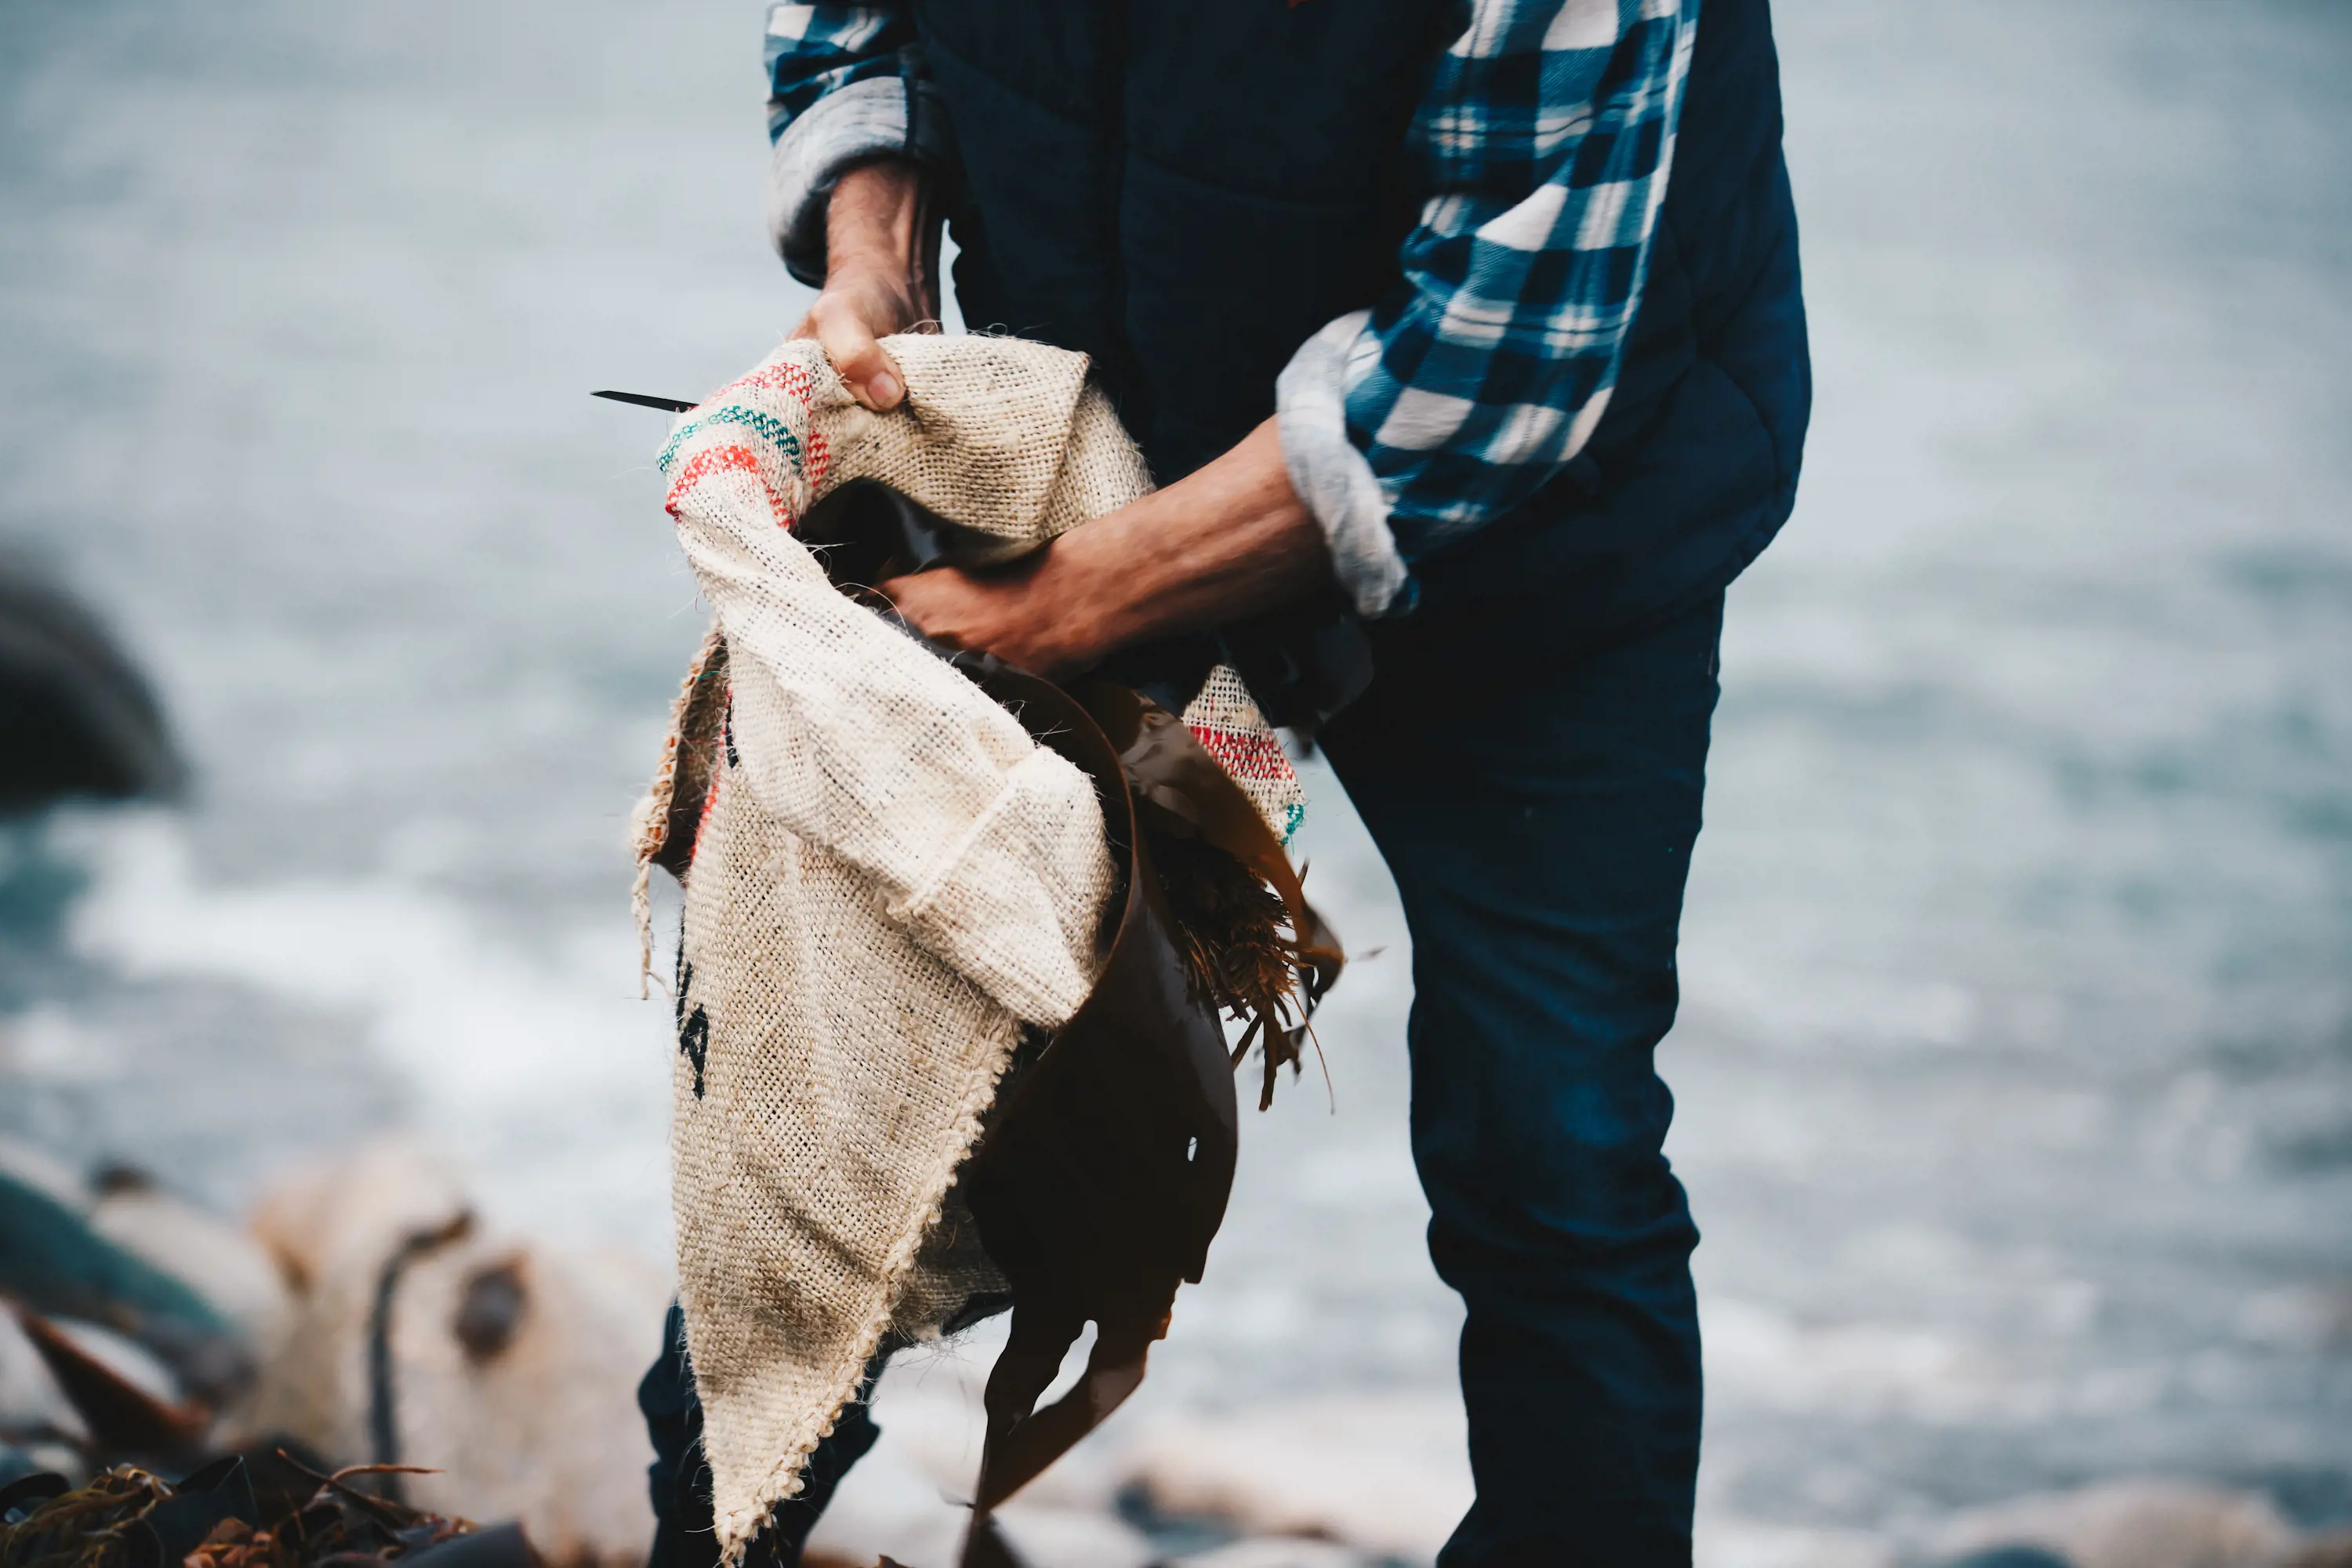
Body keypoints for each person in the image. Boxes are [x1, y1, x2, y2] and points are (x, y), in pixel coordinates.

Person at [641, 0, 1809, 1563]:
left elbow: (1501, 349)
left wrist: (1069, 606)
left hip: (1552, 538)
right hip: (1114, 427)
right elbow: (849, 26)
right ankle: (705, 1535)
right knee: (873, 1046)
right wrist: (878, 260)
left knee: (1549, 1143)